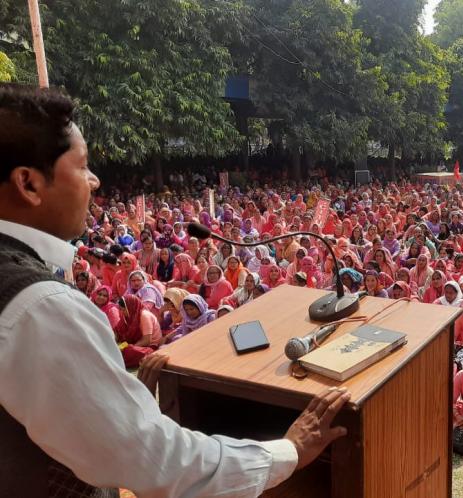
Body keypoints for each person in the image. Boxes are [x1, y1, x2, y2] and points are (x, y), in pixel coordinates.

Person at [0, 84, 348, 496]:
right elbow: (154, 459)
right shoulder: (38, 307)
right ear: (29, 184)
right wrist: (289, 450)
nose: (94, 181)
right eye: (82, 166)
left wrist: (115, 401)